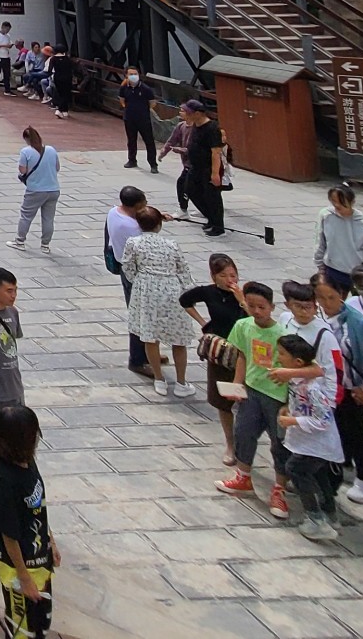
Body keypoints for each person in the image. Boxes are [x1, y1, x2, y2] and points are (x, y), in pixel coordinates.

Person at [218, 281, 294, 520]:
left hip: (276, 395)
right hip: (251, 390)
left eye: (261, 306)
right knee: (244, 432)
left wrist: (289, 402)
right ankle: (243, 476)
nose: (256, 311)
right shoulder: (243, 326)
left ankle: (279, 489)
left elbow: (292, 369)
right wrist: (238, 384)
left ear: (272, 306)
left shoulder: (283, 334)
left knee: (279, 443)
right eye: (251, 306)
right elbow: (242, 355)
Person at [0, 406, 58, 639]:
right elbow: (9, 535)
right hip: (18, 565)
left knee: (42, 621)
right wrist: (24, 577)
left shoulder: (28, 463)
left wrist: (51, 542)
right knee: (23, 630)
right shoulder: (5, 481)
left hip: (38, 556)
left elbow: (38, 507)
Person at [272, 332, 346, 542]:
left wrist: (293, 422)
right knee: (318, 474)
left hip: (317, 443)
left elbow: (323, 420)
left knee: (295, 469)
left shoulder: (312, 388)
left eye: (282, 354)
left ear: (297, 362)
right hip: (307, 442)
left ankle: (315, 518)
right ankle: (329, 515)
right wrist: (289, 409)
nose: (279, 359)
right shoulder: (298, 382)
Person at [314, 274, 363, 504]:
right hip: (324, 388)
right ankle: (339, 465)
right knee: (330, 430)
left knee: (356, 432)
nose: (325, 302)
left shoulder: (357, 322)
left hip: (351, 389)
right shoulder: (314, 316)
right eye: (320, 297)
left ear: (341, 295)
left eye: (331, 297)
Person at [120, 207, 197, 397]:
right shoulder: (171, 244)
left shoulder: (134, 242)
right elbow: (183, 270)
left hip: (146, 288)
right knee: (178, 338)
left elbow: (127, 267)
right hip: (171, 288)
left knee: (150, 336)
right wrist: (189, 291)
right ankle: (181, 382)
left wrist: (138, 280)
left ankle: (159, 378)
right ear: (159, 224)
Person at [182, 254, 246, 462]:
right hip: (220, 354)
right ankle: (230, 444)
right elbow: (185, 300)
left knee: (246, 401)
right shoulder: (209, 292)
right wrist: (203, 323)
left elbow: (255, 319)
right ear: (214, 276)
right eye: (224, 275)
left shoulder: (244, 295)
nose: (230, 280)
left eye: (233, 275)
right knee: (222, 402)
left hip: (243, 354)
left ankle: (245, 443)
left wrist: (242, 301)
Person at [106, 186, 153, 375]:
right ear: (133, 206)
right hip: (136, 274)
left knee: (139, 313)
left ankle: (148, 352)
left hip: (122, 267)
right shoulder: (133, 228)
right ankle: (138, 359)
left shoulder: (114, 212)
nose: (145, 208)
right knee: (140, 316)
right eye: (143, 206)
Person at [313, 185, 363, 291]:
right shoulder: (326, 216)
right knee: (334, 304)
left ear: (352, 202)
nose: (337, 205)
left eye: (341, 202)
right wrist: (321, 268)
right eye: (333, 201)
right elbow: (320, 243)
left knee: (359, 305)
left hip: (358, 274)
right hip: (333, 270)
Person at [9, 127, 60, 251]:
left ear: (27, 139)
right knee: (48, 218)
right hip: (53, 189)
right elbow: (57, 168)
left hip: (35, 190)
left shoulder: (26, 152)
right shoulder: (51, 150)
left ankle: (20, 241)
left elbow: (23, 170)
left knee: (26, 215)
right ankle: (45, 245)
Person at [181, 99, 226, 236]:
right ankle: (210, 218)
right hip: (195, 166)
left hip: (209, 168)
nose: (185, 114)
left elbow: (215, 152)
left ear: (198, 113)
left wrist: (215, 173)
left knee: (212, 197)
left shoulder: (212, 128)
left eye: (188, 112)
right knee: (191, 190)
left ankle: (218, 226)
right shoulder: (195, 125)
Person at [0, 267, 25, 412]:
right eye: (9, 291)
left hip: (15, 387)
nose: (13, 295)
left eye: (15, 290)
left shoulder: (13, 312)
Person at [120, 68, 158, 172]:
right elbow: (122, 100)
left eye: (135, 74)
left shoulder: (146, 89)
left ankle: (153, 164)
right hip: (129, 119)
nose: (133, 76)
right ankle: (132, 160)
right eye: (131, 74)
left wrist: (142, 110)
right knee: (131, 140)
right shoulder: (124, 88)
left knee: (149, 141)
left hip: (143, 119)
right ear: (126, 76)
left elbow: (153, 103)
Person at [46, 45, 74, 121]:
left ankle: (65, 111)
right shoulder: (68, 59)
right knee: (66, 94)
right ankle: (59, 110)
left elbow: (49, 70)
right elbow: (71, 69)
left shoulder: (53, 59)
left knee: (60, 93)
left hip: (57, 78)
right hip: (67, 78)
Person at [0, 20, 16, 94]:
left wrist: (10, 45)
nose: (7, 31)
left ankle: (7, 90)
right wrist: (5, 45)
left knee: (7, 74)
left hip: (6, 56)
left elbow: (9, 43)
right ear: (3, 27)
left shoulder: (8, 36)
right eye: (7, 29)